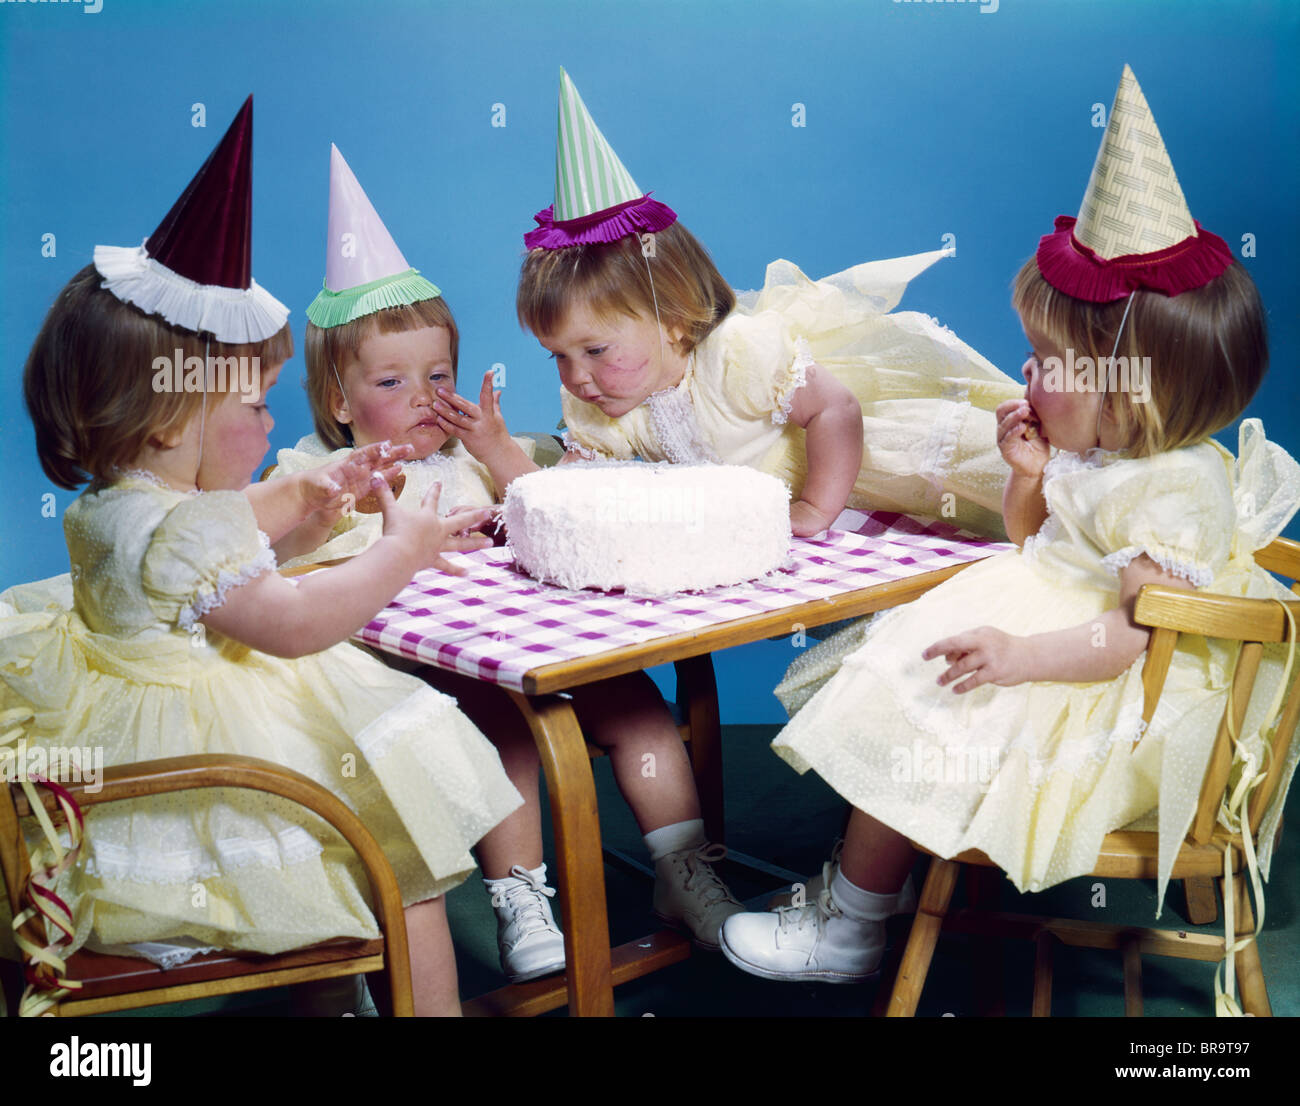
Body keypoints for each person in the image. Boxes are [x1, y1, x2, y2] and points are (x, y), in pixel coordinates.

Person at [716, 65, 1300, 985]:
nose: (1025, 374)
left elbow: (1136, 636)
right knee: (913, 675)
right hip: (1060, 620)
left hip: (1116, 682)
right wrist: (1032, 476)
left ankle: (852, 926)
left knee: (933, 707)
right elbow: (1036, 541)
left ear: (1132, 390)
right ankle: (871, 889)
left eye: (1049, 361)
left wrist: (1022, 657)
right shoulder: (1110, 455)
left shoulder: (1169, 490)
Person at [0, 100, 521, 1017]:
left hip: (120, 720)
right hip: (212, 755)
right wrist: (397, 551)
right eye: (257, 403)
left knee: (341, 861)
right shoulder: (182, 526)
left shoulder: (119, 504)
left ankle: (327, 1000)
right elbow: (291, 624)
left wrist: (311, 514)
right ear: (172, 418)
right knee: (407, 854)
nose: (275, 424)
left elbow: (223, 543)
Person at [272, 146, 744, 984]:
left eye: (439, 374)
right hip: (431, 678)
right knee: (504, 734)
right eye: (392, 380)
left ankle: (682, 872)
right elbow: (285, 570)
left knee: (636, 707)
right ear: (341, 401)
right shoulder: (315, 476)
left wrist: (492, 449)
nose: (424, 395)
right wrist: (388, 542)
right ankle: (521, 895)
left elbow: (565, 497)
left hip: (544, 647)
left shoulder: (478, 458)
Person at [515, 68, 1023, 540]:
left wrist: (817, 509)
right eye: (558, 355)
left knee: (986, 476)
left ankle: (1077, 479)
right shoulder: (600, 405)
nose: (576, 377)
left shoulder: (736, 355)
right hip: (750, 526)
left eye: (596, 350)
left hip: (845, 473)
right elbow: (574, 481)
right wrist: (524, 510)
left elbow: (836, 408)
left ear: (671, 320)